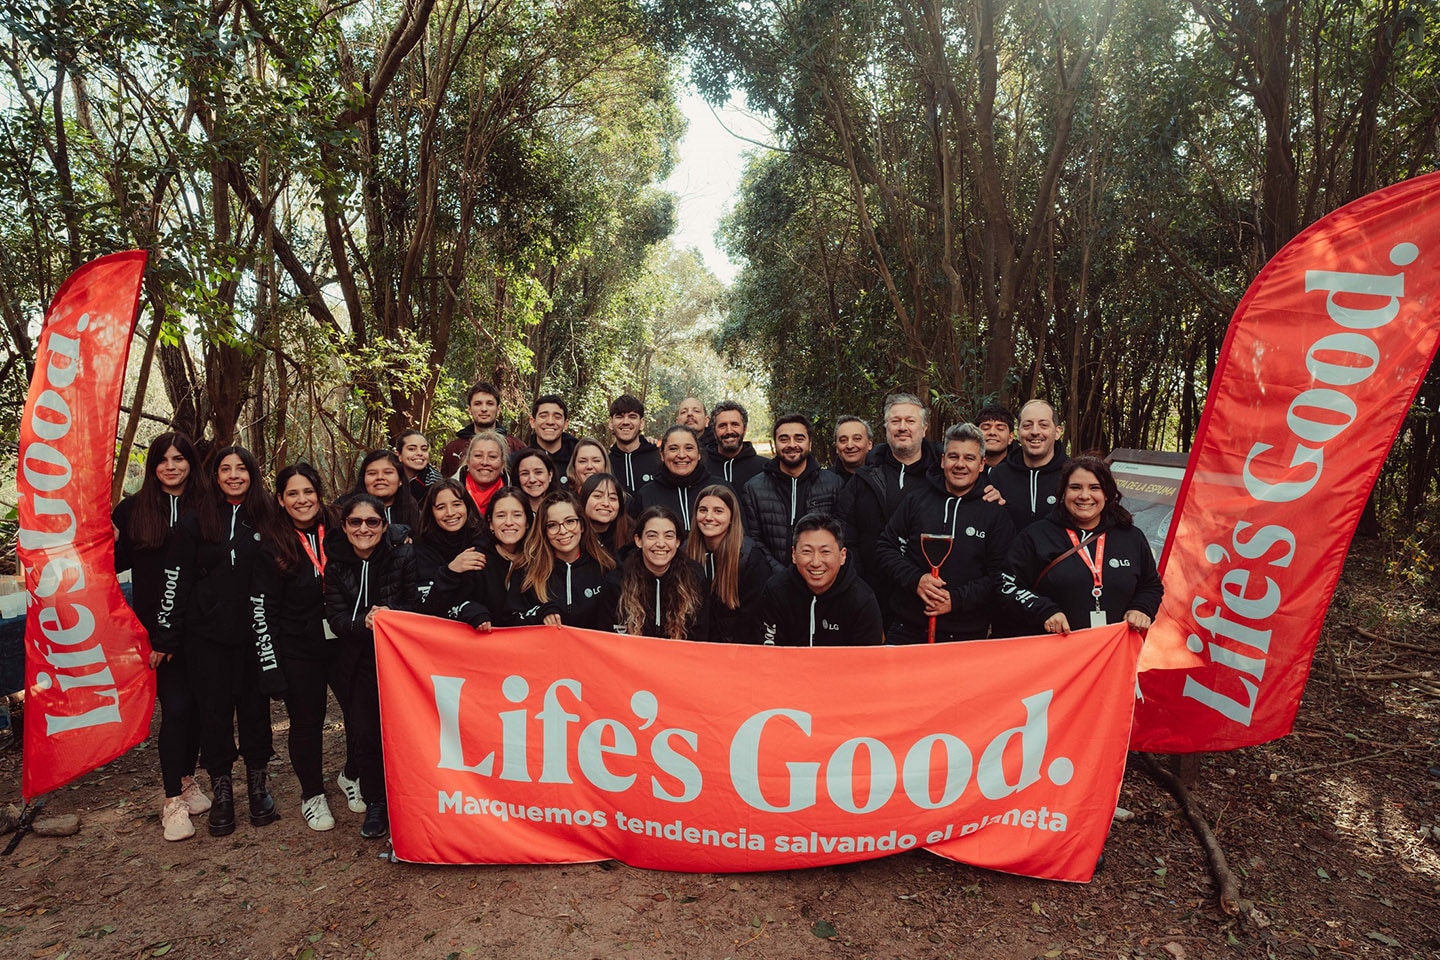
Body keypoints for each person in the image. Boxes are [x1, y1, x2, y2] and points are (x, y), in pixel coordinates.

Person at [155, 445, 283, 837]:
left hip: (255, 636)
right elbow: (175, 579)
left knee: (255, 712)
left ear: (252, 474)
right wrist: (166, 635)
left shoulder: (268, 516)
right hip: (206, 639)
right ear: (215, 476)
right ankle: (223, 791)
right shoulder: (196, 520)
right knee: (213, 714)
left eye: (241, 468)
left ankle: (258, 787)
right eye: (225, 469)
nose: (233, 475)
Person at [113, 433, 208, 841]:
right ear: (153, 466)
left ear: (191, 463)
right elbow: (111, 565)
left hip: (203, 630)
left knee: (200, 709)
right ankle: (172, 801)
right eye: (163, 460)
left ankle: (187, 780)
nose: (171, 466)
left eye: (179, 459)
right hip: (158, 636)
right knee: (177, 708)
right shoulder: (132, 510)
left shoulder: (207, 505)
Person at [324, 494, 421, 839]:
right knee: (366, 735)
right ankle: (376, 803)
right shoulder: (334, 564)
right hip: (358, 661)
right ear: (344, 526)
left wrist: (391, 614)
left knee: (408, 733)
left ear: (384, 525)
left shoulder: (403, 554)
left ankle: (411, 800)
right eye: (355, 522)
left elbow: (416, 604)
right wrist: (363, 621)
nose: (363, 529)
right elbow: (335, 618)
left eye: (372, 522)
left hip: (402, 661)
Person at [251, 463, 341, 832]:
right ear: (281, 500)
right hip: (297, 647)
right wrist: (270, 666)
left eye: (308, 492)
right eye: (293, 493)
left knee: (360, 714)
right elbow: (262, 610)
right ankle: (313, 795)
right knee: (307, 722)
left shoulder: (339, 527)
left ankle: (353, 775)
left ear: (319, 494)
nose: (302, 500)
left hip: (343, 641)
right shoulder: (270, 543)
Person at [875, 423, 1016, 643]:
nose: (960, 464)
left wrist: (956, 600)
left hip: (966, 633)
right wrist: (916, 580)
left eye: (969, 458)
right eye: (953, 456)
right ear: (942, 461)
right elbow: (885, 547)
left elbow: (1001, 575)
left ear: (981, 464)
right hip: (907, 627)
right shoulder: (916, 501)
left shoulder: (995, 513)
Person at [999, 456, 1163, 636]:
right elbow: (1006, 585)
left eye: (1095, 488)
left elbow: (1151, 585)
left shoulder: (1131, 537)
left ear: (1107, 493)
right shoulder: (1035, 536)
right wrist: (1044, 610)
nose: (1084, 496)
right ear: (1063, 492)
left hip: (1114, 647)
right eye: (1075, 487)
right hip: (1054, 646)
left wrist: (1142, 608)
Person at [836, 392, 940, 623]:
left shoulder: (943, 477)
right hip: (873, 598)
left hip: (928, 598)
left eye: (910, 421)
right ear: (886, 428)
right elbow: (845, 537)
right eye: (895, 421)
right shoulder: (863, 479)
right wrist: (860, 587)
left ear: (924, 428)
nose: (902, 427)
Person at [757, 514, 882, 646]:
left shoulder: (861, 600)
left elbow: (868, 657)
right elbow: (766, 651)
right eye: (807, 551)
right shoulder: (776, 591)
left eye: (825, 552)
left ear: (842, 555)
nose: (816, 562)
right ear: (794, 554)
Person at [742, 414, 844, 574]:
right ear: (775, 444)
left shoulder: (833, 484)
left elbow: (840, 535)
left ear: (810, 443)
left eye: (799, 438)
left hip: (820, 575)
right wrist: (781, 575)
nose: (791, 444)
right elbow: (754, 540)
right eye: (784, 439)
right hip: (772, 579)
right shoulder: (753, 488)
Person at [509, 491, 614, 628]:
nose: (563, 531)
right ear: (544, 531)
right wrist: (539, 614)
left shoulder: (605, 568)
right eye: (552, 525)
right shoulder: (527, 571)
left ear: (582, 526)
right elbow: (510, 620)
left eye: (570, 521)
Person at [602, 506, 709, 641]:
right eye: (652, 536)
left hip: (680, 653)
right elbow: (607, 639)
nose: (661, 544)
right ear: (638, 540)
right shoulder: (617, 582)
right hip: (630, 653)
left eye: (669, 536)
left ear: (677, 542)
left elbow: (700, 636)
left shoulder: (694, 577)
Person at [686, 485, 770, 643]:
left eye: (718, 511)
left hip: (736, 648)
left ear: (732, 517)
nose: (709, 517)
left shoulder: (750, 557)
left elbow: (752, 618)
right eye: (703, 510)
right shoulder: (685, 554)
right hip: (694, 647)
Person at [986, 399, 1069, 531]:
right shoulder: (998, 475)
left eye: (1043, 425)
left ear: (1058, 432)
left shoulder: (1072, 474)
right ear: (1018, 433)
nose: (1035, 431)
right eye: (1027, 425)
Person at [414, 479, 488, 611]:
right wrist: (451, 571)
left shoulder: (484, 541)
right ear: (431, 512)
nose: (450, 513)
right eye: (441, 507)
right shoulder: (421, 548)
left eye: (457, 504)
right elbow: (426, 608)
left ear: (467, 505)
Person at [630, 425, 714, 536]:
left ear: (698, 454)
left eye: (689, 448)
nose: (682, 455)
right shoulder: (646, 494)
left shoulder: (717, 488)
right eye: (673, 449)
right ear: (662, 455)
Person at [441, 381, 523, 477]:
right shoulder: (454, 449)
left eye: (490, 404)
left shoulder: (516, 447)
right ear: (469, 409)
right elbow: (446, 483)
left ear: (498, 409)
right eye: (478, 404)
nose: (484, 409)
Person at [349, 449, 420, 540]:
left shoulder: (414, 510)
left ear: (400, 480)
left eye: (388, 472)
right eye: (372, 473)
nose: (380, 477)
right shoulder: (345, 508)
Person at [703, 400, 769, 490]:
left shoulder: (764, 468)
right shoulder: (702, 468)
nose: (729, 431)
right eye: (722, 426)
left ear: (744, 429)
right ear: (714, 431)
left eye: (735, 424)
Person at [608, 393, 662, 494]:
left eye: (632, 417)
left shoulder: (659, 458)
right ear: (611, 423)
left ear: (641, 423)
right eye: (620, 416)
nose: (626, 422)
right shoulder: (606, 464)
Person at [580, 472, 633, 559]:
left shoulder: (630, 537)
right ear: (584, 499)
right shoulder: (573, 537)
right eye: (598, 496)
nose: (606, 503)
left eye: (612, 498)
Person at [459, 431, 509, 520]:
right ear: (468, 462)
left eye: (492, 456)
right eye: (478, 456)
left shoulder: (516, 498)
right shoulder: (449, 494)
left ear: (502, 465)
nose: (485, 462)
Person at [529, 394, 579, 474]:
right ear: (532, 422)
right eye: (543, 416)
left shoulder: (579, 461)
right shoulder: (519, 461)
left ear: (565, 424)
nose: (550, 422)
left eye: (557, 417)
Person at [512, 447, 560, 520]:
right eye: (525, 474)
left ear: (550, 475)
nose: (532, 480)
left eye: (538, 472)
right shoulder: (512, 512)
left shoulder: (564, 508)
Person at [396, 429, 442, 503]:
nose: (420, 453)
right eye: (412, 449)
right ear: (399, 455)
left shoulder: (435, 481)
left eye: (424, 449)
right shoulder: (389, 477)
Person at [830, 415, 873, 485]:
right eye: (843, 440)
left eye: (857, 439)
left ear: (869, 444)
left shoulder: (882, 477)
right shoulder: (825, 481)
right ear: (836, 447)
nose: (850, 446)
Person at [975, 405, 1017, 471]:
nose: (992, 432)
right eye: (986, 428)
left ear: (1010, 437)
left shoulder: (1023, 467)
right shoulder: (964, 465)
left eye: (1000, 428)